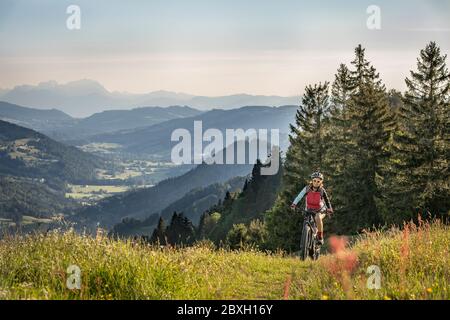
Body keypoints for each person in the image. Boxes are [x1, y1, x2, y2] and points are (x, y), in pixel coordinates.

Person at [290, 172, 333, 244]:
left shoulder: (322, 190)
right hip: (309, 209)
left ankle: (320, 237)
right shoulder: (307, 188)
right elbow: (299, 196)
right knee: (306, 220)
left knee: (317, 218)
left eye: (318, 181)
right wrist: (294, 204)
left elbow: (327, 200)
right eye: (314, 181)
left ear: (321, 182)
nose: (316, 183)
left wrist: (329, 208)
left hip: (320, 210)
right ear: (312, 181)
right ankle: (306, 237)